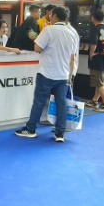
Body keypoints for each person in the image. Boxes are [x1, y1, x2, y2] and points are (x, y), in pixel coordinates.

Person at [16, 7, 79, 142]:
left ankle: (31, 129)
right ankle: (60, 133)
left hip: (47, 73)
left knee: (39, 102)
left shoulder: (48, 30)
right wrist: (70, 76)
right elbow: (73, 57)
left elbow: (37, 48)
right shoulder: (72, 33)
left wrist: (35, 40)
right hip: (63, 75)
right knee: (61, 103)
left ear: (54, 16)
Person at [84, 8, 104, 113]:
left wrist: (91, 54)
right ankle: (94, 100)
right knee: (101, 81)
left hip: (98, 59)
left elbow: (94, 43)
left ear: (93, 18)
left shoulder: (95, 29)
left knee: (99, 82)